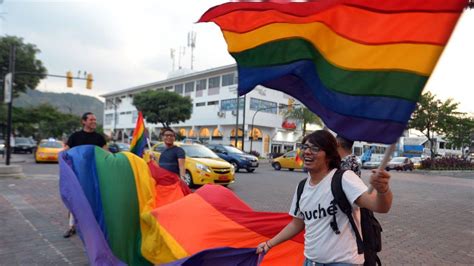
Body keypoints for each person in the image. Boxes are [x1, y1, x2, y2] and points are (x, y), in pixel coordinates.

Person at [256, 130, 392, 265]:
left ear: (329, 156)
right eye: (305, 147)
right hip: (311, 261)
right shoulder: (302, 187)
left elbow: (380, 206)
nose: (307, 152)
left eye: (315, 148)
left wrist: (383, 190)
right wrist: (269, 244)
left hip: (343, 262)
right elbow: (296, 224)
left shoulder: (344, 178)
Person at [63, 112, 107, 238]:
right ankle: (71, 226)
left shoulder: (99, 138)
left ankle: (93, 226)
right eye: (91, 119)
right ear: (84, 121)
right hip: (77, 174)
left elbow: (105, 154)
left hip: (94, 175)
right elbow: (66, 152)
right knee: (75, 198)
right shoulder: (75, 137)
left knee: (93, 198)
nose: (94, 121)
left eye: (95, 119)